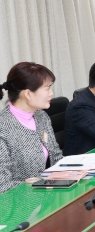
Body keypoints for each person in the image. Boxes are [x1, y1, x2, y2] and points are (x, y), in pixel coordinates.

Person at [0, 62, 63, 193]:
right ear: (28, 94)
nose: (51, 93)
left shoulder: (41, 116)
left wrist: (73, 172)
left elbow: (56, 156)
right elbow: (3, 185)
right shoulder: (3, 128)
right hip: (21, 202)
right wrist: (39, 184)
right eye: (47, 88)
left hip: (51, 194)